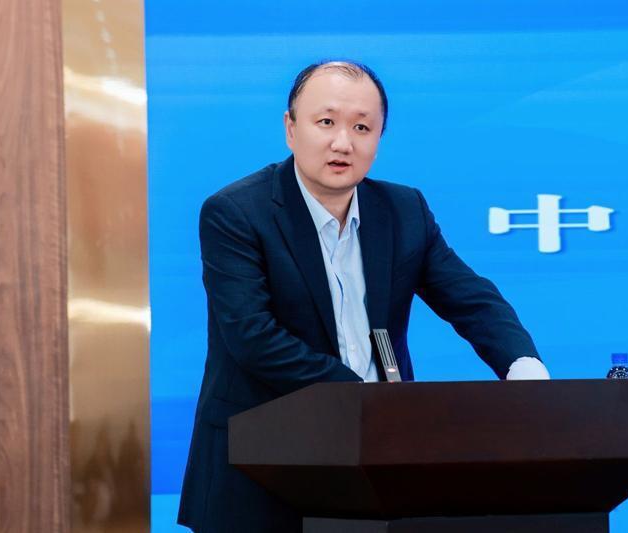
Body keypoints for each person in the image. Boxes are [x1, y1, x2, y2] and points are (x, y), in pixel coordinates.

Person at [177, 60, 550, 533]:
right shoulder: (236, 212)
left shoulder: (403, 209)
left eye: (362, 127)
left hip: (377, 466)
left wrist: (522, 367)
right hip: (261, 468)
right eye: (326, 122)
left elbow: (470, 298)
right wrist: (363, 398)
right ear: (291, 128)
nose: (343, 143)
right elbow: (252, 336)